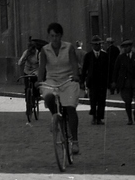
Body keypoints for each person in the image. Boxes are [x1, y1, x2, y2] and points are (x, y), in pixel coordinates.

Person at [38, 21, 81, 156]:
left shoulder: (69, 48)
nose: (54, 39)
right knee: (49, 96)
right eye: (52, 36)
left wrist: (75, 75)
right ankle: (55, 118)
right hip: (52, 79)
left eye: (56, 36)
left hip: (68, 80)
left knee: (70, 107)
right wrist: (39, 81)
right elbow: (41, 67)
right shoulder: (45, 50)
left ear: (61, 36)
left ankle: (74, 140)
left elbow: (74, 64)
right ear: (49, 36)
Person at [80, 34, 115, 125]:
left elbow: (109, 69)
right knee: (93, 100)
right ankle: (94, 116)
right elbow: (84, 69)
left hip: (102, 82)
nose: (97, 46)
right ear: (92, 46)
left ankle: (99, 118)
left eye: (99, 44)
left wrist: (111, 81)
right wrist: (82, 81)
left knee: (101, 100)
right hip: (92, 82)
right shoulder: (88, 56)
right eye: (95, 44)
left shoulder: (105, 55)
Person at [17, 36, 41, 124]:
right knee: (27, 88)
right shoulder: (26, 53)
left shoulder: (38, 54)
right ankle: (28, 103)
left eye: (32, 49)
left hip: (35, 72)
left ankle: (36, 96)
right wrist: (22, 60)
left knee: (35, 86)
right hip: (27, 72)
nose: (31, 50)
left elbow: (41, 64)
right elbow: (20, 62)